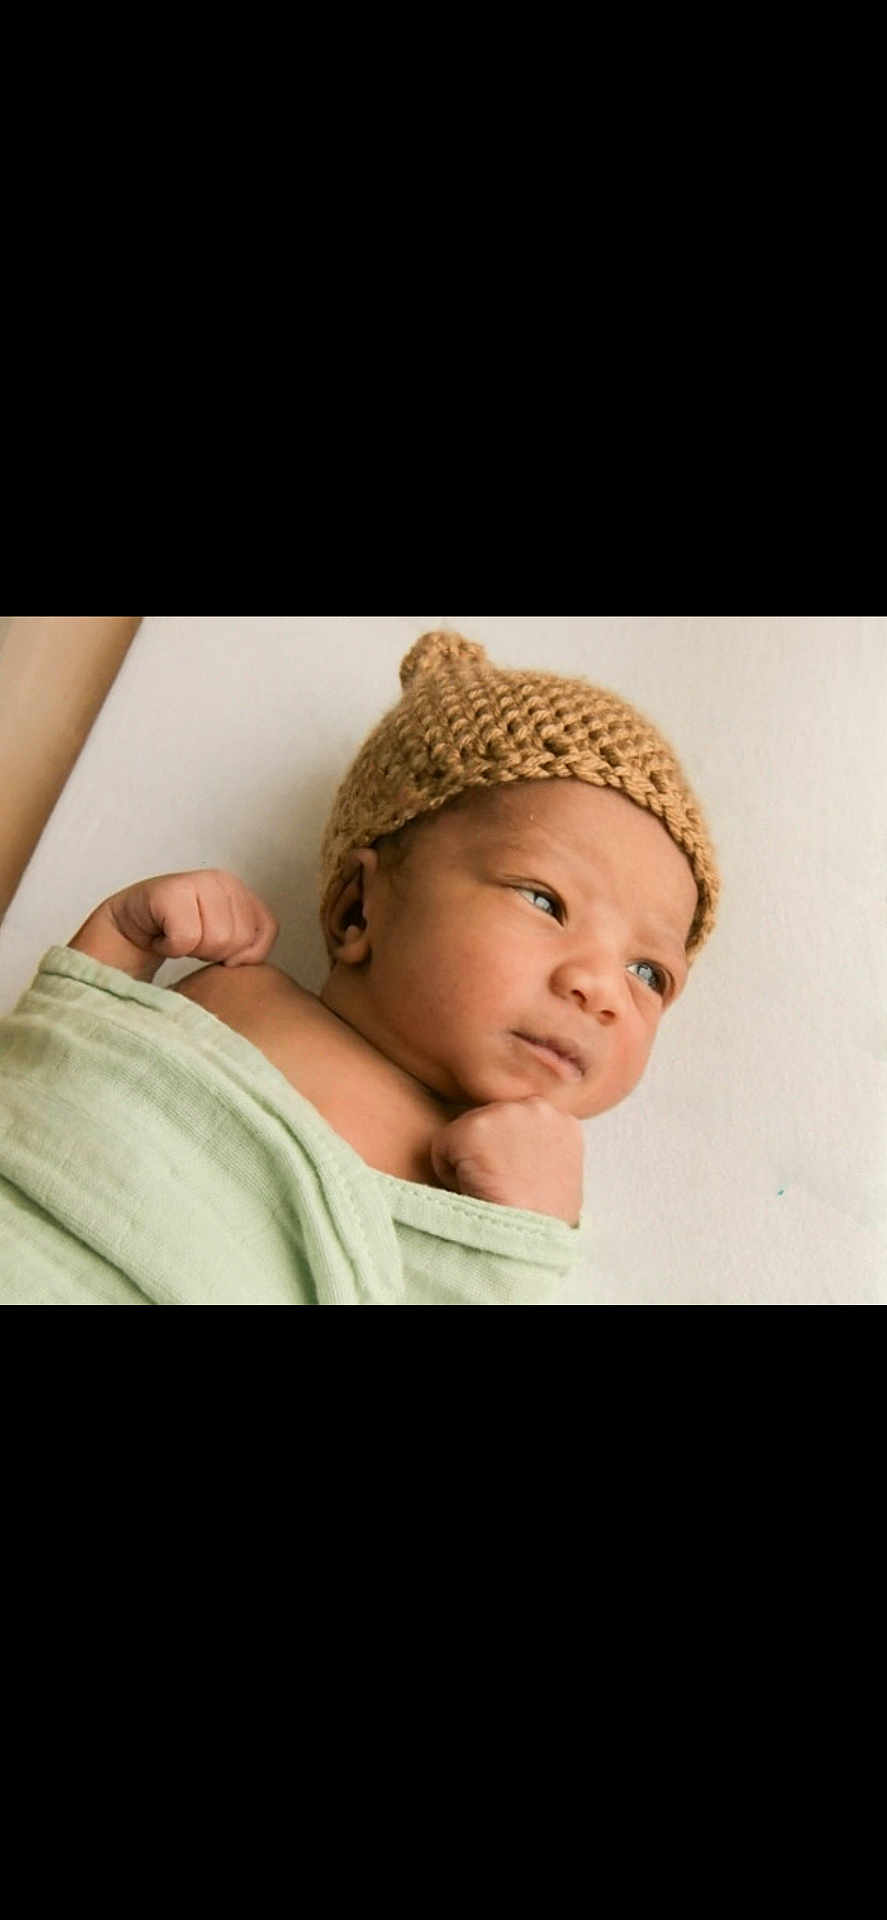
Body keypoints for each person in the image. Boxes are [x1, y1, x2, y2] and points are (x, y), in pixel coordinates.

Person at [0, 629, 720, 1306]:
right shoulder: (235, 986)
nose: (599, 990)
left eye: (649, 974)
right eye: (544, 900)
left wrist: (524, 1239)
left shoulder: (502, 1188)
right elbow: (46, 1079)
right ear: (357, 911)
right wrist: (120, 941)